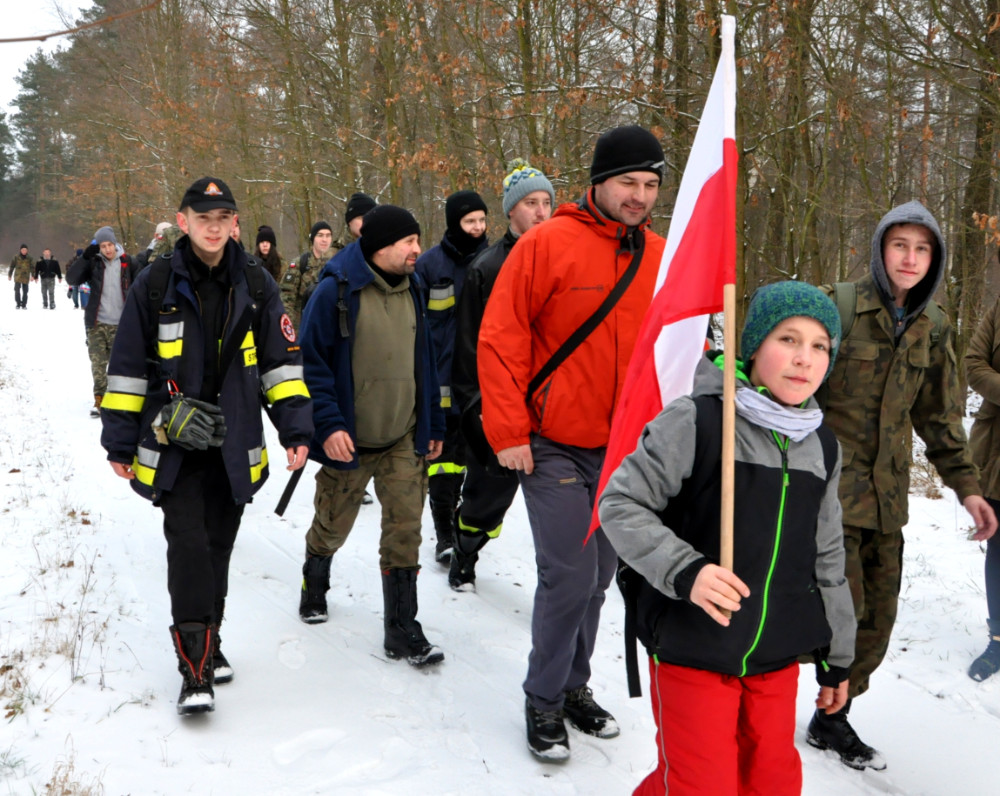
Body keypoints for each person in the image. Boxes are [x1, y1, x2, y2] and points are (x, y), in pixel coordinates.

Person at [599, 281, 855, 796]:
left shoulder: (822, 446)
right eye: (788, 339)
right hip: (694, 645)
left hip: (775, 654)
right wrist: (687, 570)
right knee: (702, 784)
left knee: (771, 782)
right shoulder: (699, 420)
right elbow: (619, 504)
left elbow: (827, 556)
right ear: (755, 345)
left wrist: (839, 657)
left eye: (820, 345)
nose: (804, 358)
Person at [477, 124, 667, 761]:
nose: (639, 196)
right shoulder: (547, 243)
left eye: (649, 185)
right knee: (569, 574)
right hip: (552, 442)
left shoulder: (662, 256)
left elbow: (673, 352)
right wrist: (508, 432)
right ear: (597, 183)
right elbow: (501, 338)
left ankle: (575, 685)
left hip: (625, 452)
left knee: (602, 576)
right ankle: (544, 699)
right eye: (627, 183)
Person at [100, 176, 312, 714]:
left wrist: (295, 428)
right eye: (203, 219)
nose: (213, 228)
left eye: (222, 219)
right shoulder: (153, 284)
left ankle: (210, 642)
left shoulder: (259, 284)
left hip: (235, 443)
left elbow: (282, 368)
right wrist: (122, 441)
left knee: (217, 547)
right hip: (174, 446)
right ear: (184, 220)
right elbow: (126, 371)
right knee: (189, 547)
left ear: (234, 223)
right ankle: (195, 670)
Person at [809, 200, 998, 769]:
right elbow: (792, 390)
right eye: (900, 245)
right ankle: (778, 702)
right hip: (827, 499)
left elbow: (939, 419)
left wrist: (968, 488)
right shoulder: (836, 307)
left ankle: (832, 715)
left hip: (887, 505)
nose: (910, 258)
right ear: (880, 248)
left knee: (876, 623)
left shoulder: (935, 326)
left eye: (922, 249)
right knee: (835, 616)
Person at [296, 204, 446, 667]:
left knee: (405, 533)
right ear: (382, 247)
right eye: (409, 242)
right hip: (351, 440)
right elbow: (311, 365)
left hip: (403, 437)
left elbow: (427, 361)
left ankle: (402, 629)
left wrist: (433, 424)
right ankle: (314, 579)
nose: (418, 250)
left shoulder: (416, 287)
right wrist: (330, 425)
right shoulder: (335, 291)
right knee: (332, 527)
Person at [448, 160, 555, 590]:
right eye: (531, 203)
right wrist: (477, 411)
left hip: (553, 410)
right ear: (510, 210)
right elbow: (469, 349)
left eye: (547, 202)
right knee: (487, 500)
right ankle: (465, 547)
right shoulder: (487, 268)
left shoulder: (565, 260)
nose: (541, 212)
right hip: (496, 410)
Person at [415, 189, 489, 564]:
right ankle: (444, 532)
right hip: (442, 378)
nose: (477, 228)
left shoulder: (498, 262)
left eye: (481, 220)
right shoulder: (428, 266)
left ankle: (468, 539)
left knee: (483, 467)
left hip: (484, 382)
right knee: (443, 460)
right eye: (468, 221)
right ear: (453, 224)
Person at [964, 284, 1000, 681]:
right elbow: (974, 364)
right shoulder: (998, 310)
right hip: (997, 451)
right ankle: (999, 640)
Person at [67, 228, 142, 417]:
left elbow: (141, 287)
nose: (107, 250)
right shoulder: (94, 263)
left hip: (121, 323)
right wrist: (85, 257)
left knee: (119, 364)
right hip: (97, 322)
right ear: (98, 247)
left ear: (115, 244)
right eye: (103, 246)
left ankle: (118, 399)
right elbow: (72, 278)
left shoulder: (129, 263)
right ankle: (100, 399)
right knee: (98, 363)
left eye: (109, 245)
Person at [280, 220, 334, 330]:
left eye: (328, 236)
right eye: (320, 235)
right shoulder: (300, 264)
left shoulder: (336, 264)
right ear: (313, 238)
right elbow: (287, 300)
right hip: (304, 329)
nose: (324, 239)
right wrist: (290, 332)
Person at [9, 244, 32, 309]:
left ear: (27, 250)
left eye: (25, 250)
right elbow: (12, 266)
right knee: (17, 290)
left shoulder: (30, 258)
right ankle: (18, 304)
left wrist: (33, 275)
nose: (24, 251)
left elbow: (33, 267)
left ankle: (24, 304)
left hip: (26, 277)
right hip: (18, 277)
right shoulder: (16, 257)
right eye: (23, 250)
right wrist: (9, 275)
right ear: (20, 250)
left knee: (25, 291)